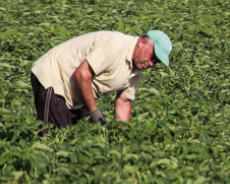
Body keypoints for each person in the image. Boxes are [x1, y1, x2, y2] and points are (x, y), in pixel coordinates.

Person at [30, 30, 172, 133]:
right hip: (55, 78)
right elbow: (82, 74)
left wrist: (122, 135)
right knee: (53, 137)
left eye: (156, 62)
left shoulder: (136, 72)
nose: (152, 64)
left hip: (77, 90)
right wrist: (93, 110)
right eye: (152, 56)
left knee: (81, 139)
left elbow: (123, 102)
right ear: (142, 43)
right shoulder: (115, 45)